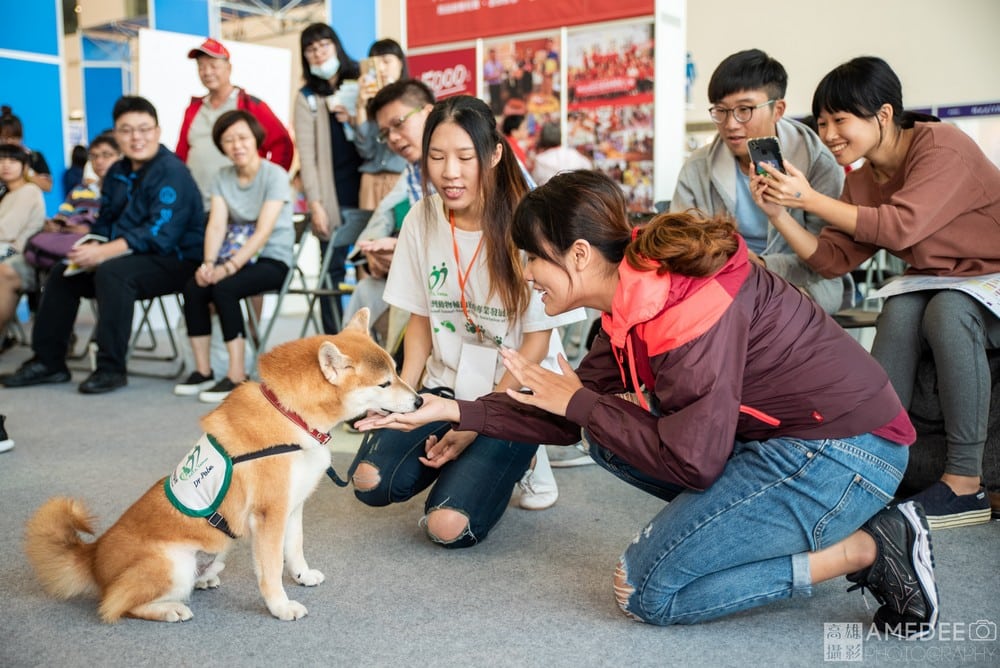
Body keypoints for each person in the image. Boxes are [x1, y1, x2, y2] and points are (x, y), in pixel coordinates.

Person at [358, 169, 939, 637]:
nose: (526, 273)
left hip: (844, 454)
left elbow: (691, 460)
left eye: (532, 258)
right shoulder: (634, 295)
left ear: (579, 254)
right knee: (610, 442)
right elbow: (565, 412)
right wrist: (453, 412)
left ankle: (866, 548)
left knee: (649, 592)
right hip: (785, 442)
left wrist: (580, 405)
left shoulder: (687, 312)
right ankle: (754, 526)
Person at [750, 56, 1000, 529]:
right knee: (902, 309)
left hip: (989, 280)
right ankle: (873, 460)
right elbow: (830, 260)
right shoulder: (861, 180)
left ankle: (966, 483)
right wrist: (780, 213)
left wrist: (808, 199)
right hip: (945, 280)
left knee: (947, 312)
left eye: (840, 120)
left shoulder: (941, 146)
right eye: (821, 122)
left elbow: (901, 227)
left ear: (883, 115)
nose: (828, 134)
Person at [349, 95, 584, 543]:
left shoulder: (529, 219)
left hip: (514, 394)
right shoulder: (422, 216)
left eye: (464, 157)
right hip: (446, 383)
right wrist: (402, 400)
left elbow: (536, 343)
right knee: (369, 482)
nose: (449, 172)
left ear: (494, 154)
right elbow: (418, 321)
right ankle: (470, 463)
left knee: (447, 527)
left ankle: (524, 454)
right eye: (437, 157)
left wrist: (478, 421)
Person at [1, 96, 205, 394]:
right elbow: (106, 223)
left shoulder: (172, 172)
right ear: (117, 133)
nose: (136, 137)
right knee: (63, 272)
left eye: (144, 129)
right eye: (127, 130)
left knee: (112, 272)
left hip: (176, 259)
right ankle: (49, 362)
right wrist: (87, 247)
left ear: (158, 132)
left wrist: (104, 252)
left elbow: (161, 234)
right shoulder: (118, 173)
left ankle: (111, 368)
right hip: (127, 254)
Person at [671, 49, 847, 314]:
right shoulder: (698, 168)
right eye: (721, 111)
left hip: (807, 281)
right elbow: (680, 242)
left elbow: (826, 258)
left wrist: (761, 265)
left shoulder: (817, 162)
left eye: (744, 110)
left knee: (766, 312)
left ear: (778, 109)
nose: (731, 124)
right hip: (719, 281)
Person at [173, 110, 294, 403]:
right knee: (195, 286)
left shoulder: (274, 175)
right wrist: (209, 265)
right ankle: (203, 372)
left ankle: (236, 375)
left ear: (256, 139)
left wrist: (227, 268)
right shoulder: (222, 177)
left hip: (272, 260)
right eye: (228, 140)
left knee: (225, 288)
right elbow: (216, 225)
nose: (236, 145)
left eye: (242, 137)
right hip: (232, 258)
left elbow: (263, 231)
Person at [342, 79, 436, 333]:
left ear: (428, 112)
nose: (393, 138)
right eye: (385, 133)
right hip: (430, 278)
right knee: (366, 291)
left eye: (399, 124)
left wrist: (404, 252)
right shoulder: (415, 169)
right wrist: (376, 254)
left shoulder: (471, 160)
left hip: (469, 284)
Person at [294, 23, 364, 334]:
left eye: (323, 45)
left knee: (370, 268)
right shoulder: (307, 96)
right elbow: (306, 157)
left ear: (335, 45)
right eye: (311, 49)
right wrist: (316, 204)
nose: (318, 53)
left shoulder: (363, 81)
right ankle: (333, 341)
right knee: (330, 271)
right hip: (332, 196)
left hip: (368, 189)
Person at [175, 37, 294, 211]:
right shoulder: (193, 109)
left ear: (229, 68)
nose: (207, 72)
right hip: (197, 204)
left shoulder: (251, 105)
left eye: (213, 65)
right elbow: (182, 154)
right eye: (201, 66)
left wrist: (266, 185)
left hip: (240, 207)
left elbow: (282, 146)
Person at [352, 38, 409, 211]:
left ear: (400, 63)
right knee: (370, 235)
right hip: (370, 180)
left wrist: (392, 93)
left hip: (401, 178)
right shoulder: (369, 102)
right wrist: (361, 106)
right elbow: (365, 149)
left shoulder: (413, 97)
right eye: (376, 63)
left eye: (387, 61)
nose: (382, 68)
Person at [0, 143, 46, 343]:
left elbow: (6, 231)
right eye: (1, 161)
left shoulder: (29, 191)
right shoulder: (7, 194)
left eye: (13, 161)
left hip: (18, 255)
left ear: (25, 166)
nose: (6, 165)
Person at [0, 106, 53, 193]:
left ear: (21, 137)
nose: (9, 142)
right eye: (4, 139)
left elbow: (48, 186)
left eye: (13, 138)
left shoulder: (33, 156)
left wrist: (27, 171)